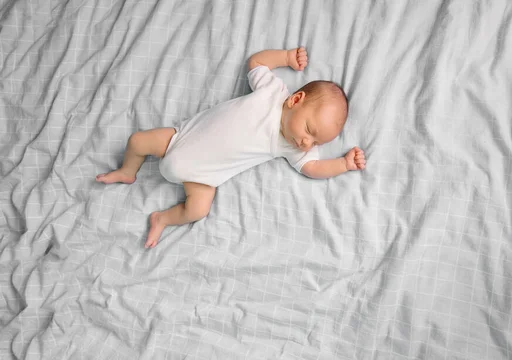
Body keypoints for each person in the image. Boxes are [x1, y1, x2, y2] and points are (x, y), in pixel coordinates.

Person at [96, 47, 367, 248]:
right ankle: (128, 170)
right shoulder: (273, 92)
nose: (308, 142)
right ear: (296, 100)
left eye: (316, 142)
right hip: (179, 139)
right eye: (309, 130)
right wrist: (285, 57)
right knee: (137, 141)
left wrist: (343, 164)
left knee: (197, 210)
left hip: (203, 178)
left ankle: (163, 219)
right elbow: (257, 63)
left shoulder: (293, 149)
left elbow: (313, 168)